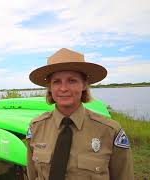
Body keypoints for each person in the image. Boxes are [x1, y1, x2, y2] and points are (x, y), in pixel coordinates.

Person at [26, 48, 134, 180]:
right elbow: (32, 175)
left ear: (84, 85)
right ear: (50, 87)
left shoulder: (110, 131)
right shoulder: (36, 127)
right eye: (56, 82)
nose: (63, 88)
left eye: (72, 81)